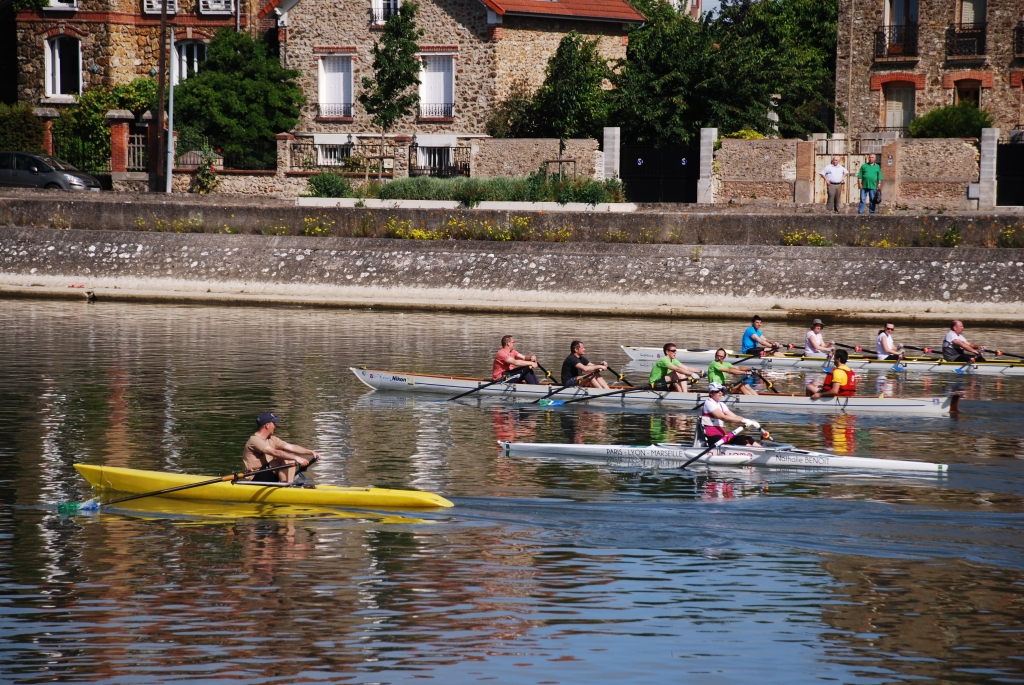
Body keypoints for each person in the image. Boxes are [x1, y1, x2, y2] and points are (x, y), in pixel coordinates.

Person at [242, 413, 320, 483]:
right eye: (274, 423)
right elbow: (275, 452)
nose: (276, 426)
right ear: (267, 425)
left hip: (268, 474)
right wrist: (297, 458)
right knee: (286, 458)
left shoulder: (273, 439)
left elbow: (291, 447)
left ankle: (286, 484)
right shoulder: (254, 440)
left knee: (288, 458)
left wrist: (311, 452)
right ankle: (289, 487)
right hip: (254, 478)